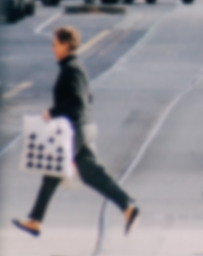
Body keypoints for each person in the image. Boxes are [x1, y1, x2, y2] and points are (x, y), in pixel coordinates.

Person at [12, 27, 140, 237]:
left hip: (76, 130)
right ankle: (128, 207)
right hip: (83, 128)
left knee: (52, 172)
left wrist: (52, 112)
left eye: (55, 44)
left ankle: (35, 220)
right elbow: (88, 97)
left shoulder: (71, 69)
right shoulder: (75, 67)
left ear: (65, 45)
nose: (52, 48)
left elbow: (79, 102)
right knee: (92, 174)